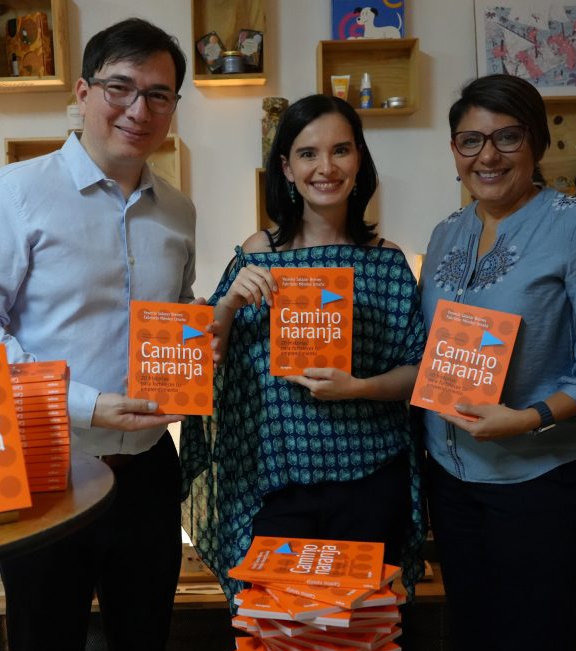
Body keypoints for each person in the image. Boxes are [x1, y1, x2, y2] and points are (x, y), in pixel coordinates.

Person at [0, 18, 195, 651]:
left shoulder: (177, 210)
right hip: (47, 468)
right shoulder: (15, 194)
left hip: (148, 470)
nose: (139, 110)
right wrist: (87, 403)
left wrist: (200, 339)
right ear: (82, 92)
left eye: (159, 95)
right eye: (121, 87)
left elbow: (172, 318)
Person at [420, 73, 576, 651]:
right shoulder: (446, 234)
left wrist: (529, 417)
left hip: (543, 482)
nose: (487, 155)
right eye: (470, 141)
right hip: (453, 476)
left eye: (507, 137)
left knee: (532, 649)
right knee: (472, 640)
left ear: (538, 143)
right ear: (454, 151)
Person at [180, 94, 427, 607]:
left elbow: (418, 369)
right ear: (286, 168)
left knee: (359, 638)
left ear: (359, 161)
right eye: (308, 153)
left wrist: (357, 388)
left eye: (341, 150)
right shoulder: (257, 253)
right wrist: (225, 305)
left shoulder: (387, 262)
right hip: (273, 480)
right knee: (275, 636)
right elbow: (208, 357)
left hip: (370, 476)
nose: (326, 167)